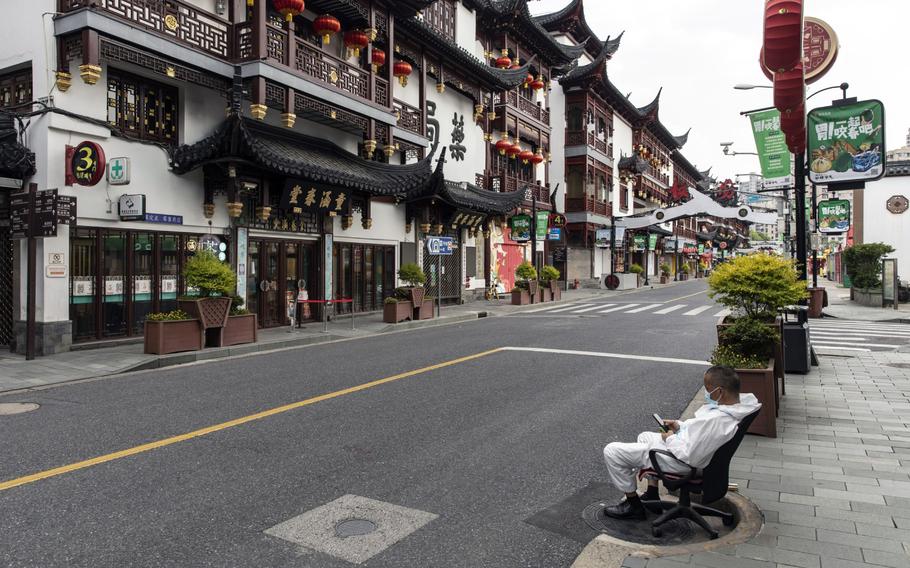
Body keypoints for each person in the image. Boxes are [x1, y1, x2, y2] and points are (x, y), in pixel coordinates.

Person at [601, 366, 761, 520]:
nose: (706, 392)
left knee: (612, 451)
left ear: (719, 391)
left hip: (684, 463)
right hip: (693, 455)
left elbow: (690, 456)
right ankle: (652, 493)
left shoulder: (717, 421)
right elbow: (699, 434)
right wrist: (679, 426)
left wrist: (669, 438)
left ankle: (633, 506)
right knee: (644, 436)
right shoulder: (734, 409)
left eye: (707, 388)